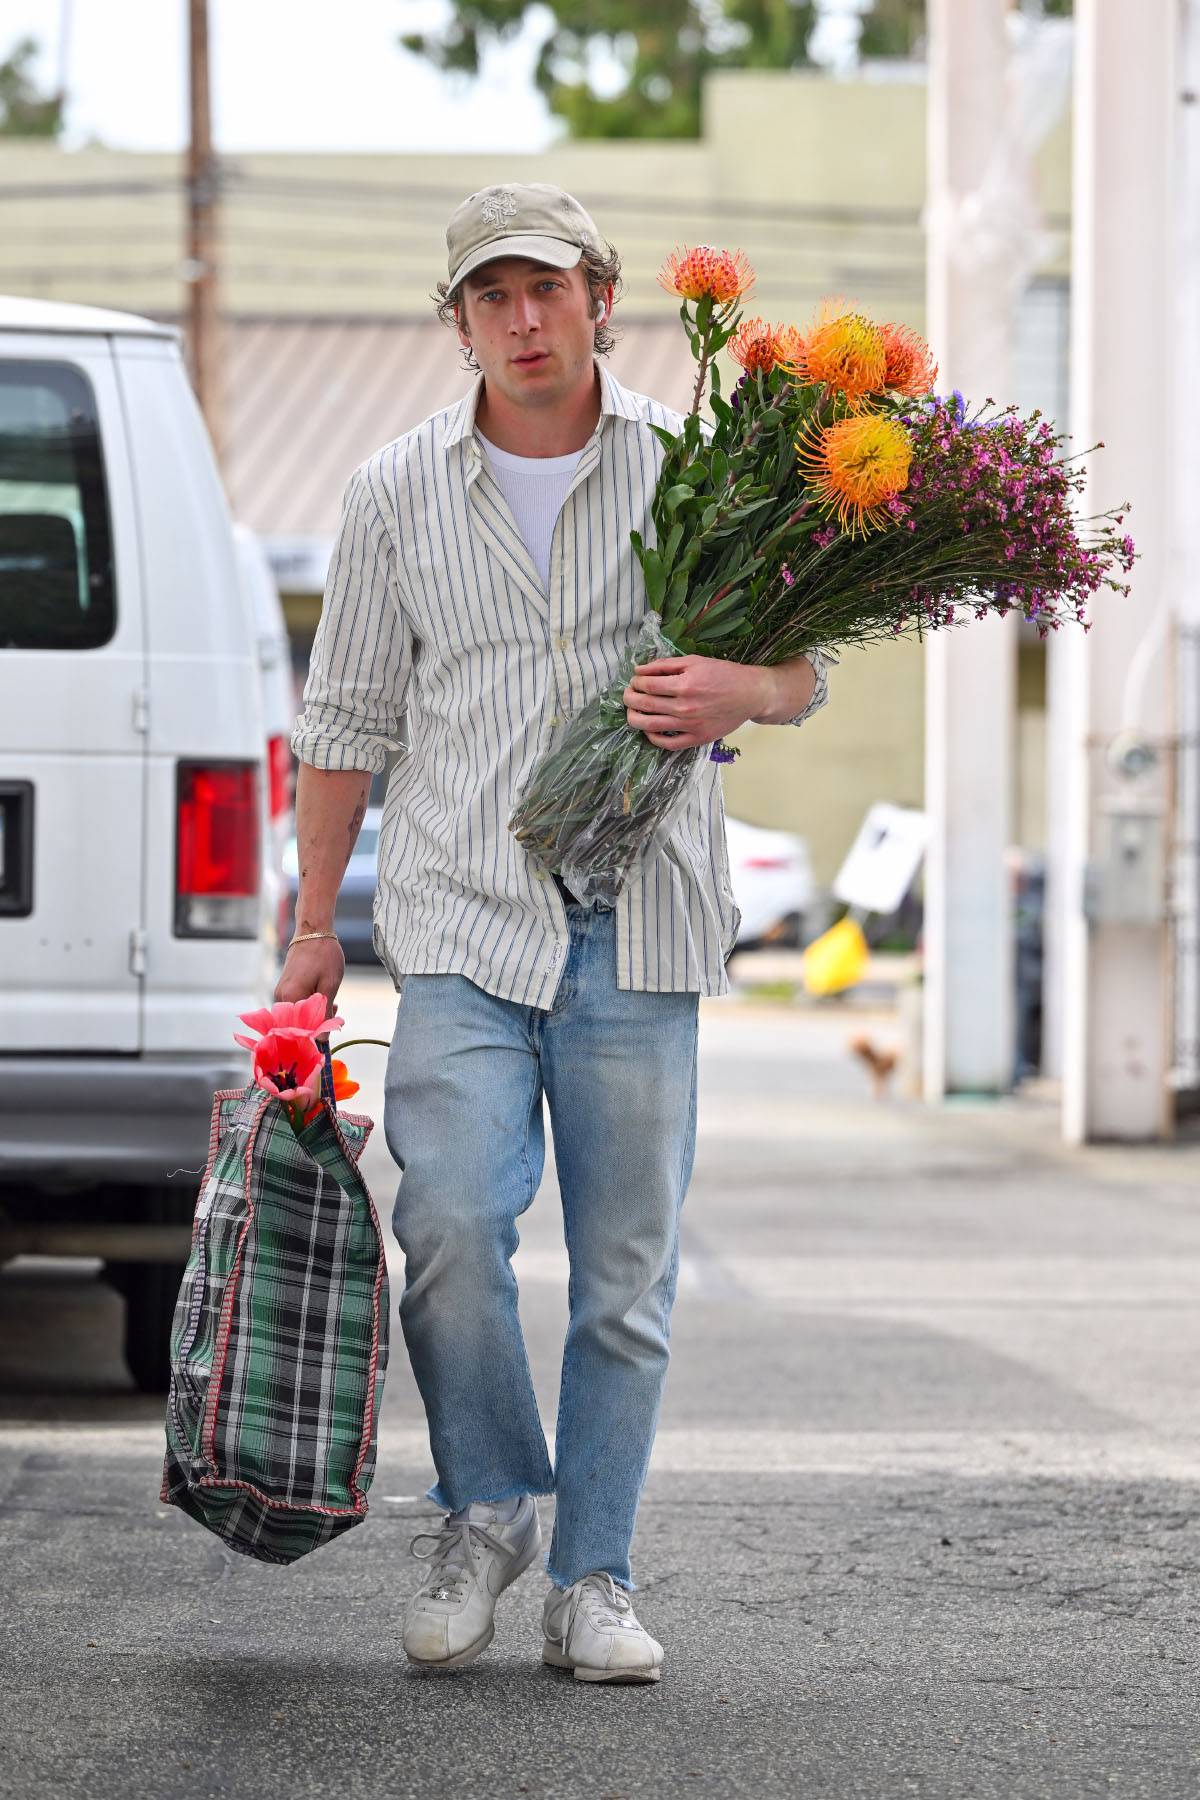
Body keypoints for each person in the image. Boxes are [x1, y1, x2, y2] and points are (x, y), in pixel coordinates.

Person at [280, 183, 829, 1684]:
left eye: (547, 290)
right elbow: (344, 721)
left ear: (603, 298)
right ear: (459, 320)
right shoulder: (396, 488)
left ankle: (597, 1576)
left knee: (625, 1279)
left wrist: (747, 693)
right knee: (448, 1225)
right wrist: (312, 923)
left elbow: (803, 665)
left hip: (638, 928)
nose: (522, 321)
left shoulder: (695, 471)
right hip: (462, 915)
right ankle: (489, 1511)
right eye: (490, 296)